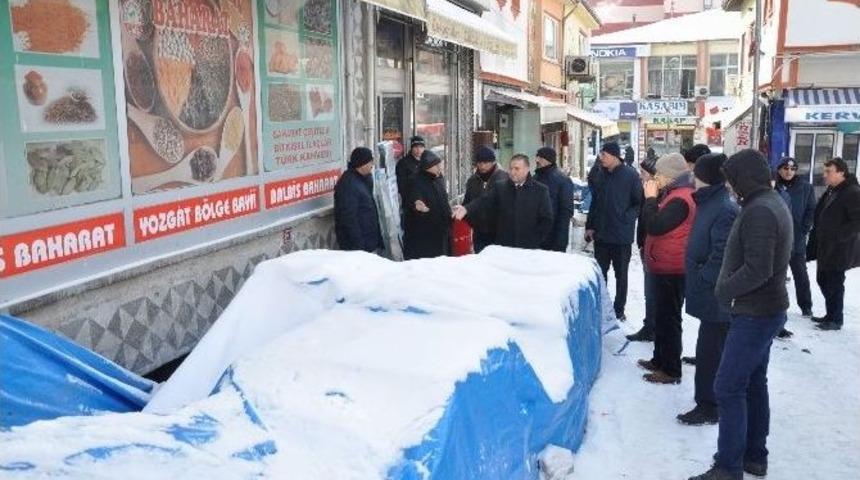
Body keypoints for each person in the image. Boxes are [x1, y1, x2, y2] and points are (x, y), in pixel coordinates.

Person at [689, 149, 792, 480]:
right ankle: (754, 456)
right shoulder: (766, 202)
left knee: (728, 386)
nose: (729, 187)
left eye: (732, 180)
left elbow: (758, 268)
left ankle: (729, 466)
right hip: (763, 310)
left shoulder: (760, 210)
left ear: (744, 179)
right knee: (752, 383)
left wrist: (723, 289)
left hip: (755, 312)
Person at [677, 153, 738, 425]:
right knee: (707, 347)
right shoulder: (710, 201)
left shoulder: (723, 207)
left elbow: (722, 252)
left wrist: (704, 277)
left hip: (715, 294)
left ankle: (709, 405)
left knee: (711, 350)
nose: (691, 176)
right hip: (708, 291)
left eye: (696, 172)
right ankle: (706, 397)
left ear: (705, 177)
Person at [638, 153, 696, 385]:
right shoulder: (674, 194)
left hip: (673, 268)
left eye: (659, 175)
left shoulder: (681, 198)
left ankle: (671, 369)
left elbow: (655, 226)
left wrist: (650, 199)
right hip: (664, 264)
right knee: (662, 317)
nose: (656, 179)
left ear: (671, 176)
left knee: (669, 319)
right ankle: (659, 359)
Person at [586, 141, 643, 321]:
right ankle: (601, 307)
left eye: (604, 155)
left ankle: (619, 309)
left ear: (614, 156)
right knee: (600, 274)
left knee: (621, 275)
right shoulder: (600, 174)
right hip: (601, 234)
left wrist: (626, 217)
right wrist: (590, 226)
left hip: (621, 236)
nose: (601, 158)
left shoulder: (631, 175)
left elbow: (638, 203)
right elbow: (594, 202)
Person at [453, 154, 553, 249]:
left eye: (517, 169)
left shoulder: (540, 191)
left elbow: (546, 219)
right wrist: (466, 209)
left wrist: (535, 240)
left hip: (528, 248)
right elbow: (483, 201)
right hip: (504, 246)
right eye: (511, 168)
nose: (512, 172)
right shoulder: (501, 188)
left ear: (527, 169)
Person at [808, 158, 860, 331]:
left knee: (835, 283)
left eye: (828, 172)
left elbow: (857, 221)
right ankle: (830, 314)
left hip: (840, 248)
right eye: (824, 171)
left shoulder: (852, 192)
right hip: (826, 246)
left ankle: (836, 319)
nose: (825, 175)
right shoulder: (832, 190)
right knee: (823, 279)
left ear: (841, 172)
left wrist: (839, 236)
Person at [774, 157, 816, 329]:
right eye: (785, 168)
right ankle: (776, 307)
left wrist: (805, 228)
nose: (789, 171)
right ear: (779, 170)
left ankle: (806, 306)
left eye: (792, 168)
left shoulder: (806, 188)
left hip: (797, 238)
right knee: (776, 275)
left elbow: (811, 209)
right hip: (778, 239)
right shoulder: (774, 187)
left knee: (800, 273)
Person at [627, 158, 658, 342]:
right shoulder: (646, 193)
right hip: (646, 246)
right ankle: (650, 325)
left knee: (653, 292)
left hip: (654, 251)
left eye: (644, 174)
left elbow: (652, 223)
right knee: (650, 292)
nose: (641, 177)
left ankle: (652, 328)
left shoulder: (656, 196)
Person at [402, 150, 451, 260]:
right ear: (427, 166)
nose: (440, 168)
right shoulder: (415, 180)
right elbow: (412, 198)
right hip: (424, 236)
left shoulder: (438, 179)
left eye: (440, 164)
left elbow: (443, 200)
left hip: (441, 232)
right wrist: (416, 204)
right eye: (437, 165)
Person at [334, 147, 384, 253]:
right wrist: (359, 247)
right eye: (371, 162)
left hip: (369, 241)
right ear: (363, 163)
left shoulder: (364, 179)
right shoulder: (348, 184)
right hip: (358, 246)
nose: (372, 165)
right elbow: (348, 218)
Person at [463, 146, 509, 253]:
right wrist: (472, 221)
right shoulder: (472, 181)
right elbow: (467, 202)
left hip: (499, 232)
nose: (482, 166)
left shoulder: (504, 178)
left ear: (493, 162)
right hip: (479, 232)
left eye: (486, 163)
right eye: (479, 163)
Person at [534, 147, 575, 252]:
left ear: (548, 160)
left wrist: (560, 242)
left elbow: (566, 212)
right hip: (536, 237)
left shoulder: (563, 180)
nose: (537, 160)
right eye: (536, 157)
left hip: (554, 238)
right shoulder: (535, 178)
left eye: (540, 157)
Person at [395, 136, 425, 205]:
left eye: (421, 147)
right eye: (416, 147)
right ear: (412, 148)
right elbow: (401, 185)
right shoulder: (403, 163)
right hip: (410, 202)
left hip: (425, 200)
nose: (418, 150)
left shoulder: (425, 162)